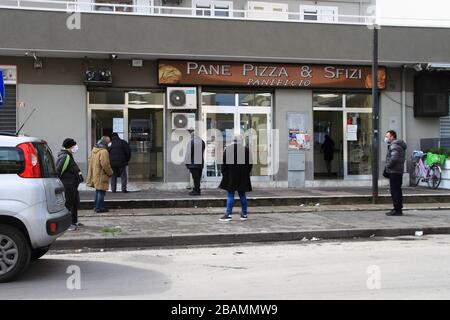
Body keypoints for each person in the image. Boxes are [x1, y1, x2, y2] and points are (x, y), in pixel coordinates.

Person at [218, 134, 253, 222]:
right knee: (242, 195)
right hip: (243, 175)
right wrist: (246, 173)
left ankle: (228, 214)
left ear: (233, 140)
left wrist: (225, 174)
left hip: (231, 175)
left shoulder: (228, 149)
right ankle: (244, 214)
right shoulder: (246, 150)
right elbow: (250, 164)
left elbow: (224, 164)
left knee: (230, 194)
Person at [56, 138, 83, 231]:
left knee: (75, 203)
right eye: (74, 145)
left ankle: (74, 221)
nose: (76, 147)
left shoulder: (69, 155)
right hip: (68, 185)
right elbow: (59, 171)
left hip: (73, 185)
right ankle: (68, 224)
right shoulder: (65, 156)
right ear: (70, 146)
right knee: (69, 204)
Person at [86, 136, 114, 213]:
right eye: (108, 142)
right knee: (101, 191)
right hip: (102, 174)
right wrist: (110, 172)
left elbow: (89, 160)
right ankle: (99, 208)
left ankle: (96, 206)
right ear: (105, 143)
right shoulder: (104, 151)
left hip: (95, 173)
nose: (109, 143)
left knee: (98, 191)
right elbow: (105, 164)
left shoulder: (94, 150)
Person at [384, 130, 407, 216]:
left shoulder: (394, 145)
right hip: (397, 170)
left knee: (395, 191)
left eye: (387, 136)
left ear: (392, 136)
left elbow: (394, 158)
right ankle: (397, 208)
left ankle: (397, 210)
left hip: (394, 171)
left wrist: (388, 166)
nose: (386, 138)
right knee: (396, 190)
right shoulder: (397, 145)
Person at [184, 131, 205, 196]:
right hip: (200, 163)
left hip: (193, 164)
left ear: (192, 136)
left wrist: (186, 162)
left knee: (195, 178)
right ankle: (197, 189)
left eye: (191, 136)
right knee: (198, 178)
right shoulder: (202, 142)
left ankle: (196, 191)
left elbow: (188, 153)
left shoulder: (191, 142)